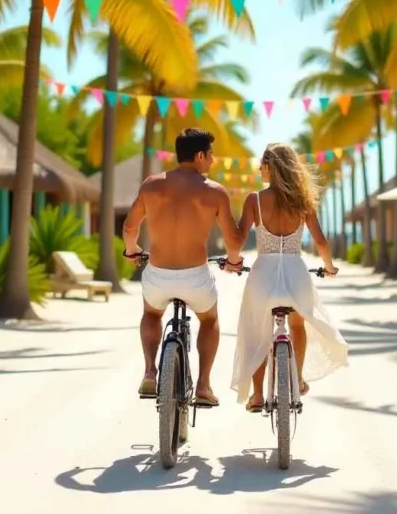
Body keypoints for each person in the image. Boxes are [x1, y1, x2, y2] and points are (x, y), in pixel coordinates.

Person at [122, 128, 244, 407]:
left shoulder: (151, 185)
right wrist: (233, 261)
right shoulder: (214, 191)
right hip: (195, 278)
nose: (212, 161)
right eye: (211, 155)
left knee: (152, 314)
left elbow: (130, 227)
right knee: (210, 321)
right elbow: (233, 240)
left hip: (158, 275)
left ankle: (151, 371)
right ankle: (203, 385)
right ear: (200, 156)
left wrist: (133, 251)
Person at [232, 142, 349, 411]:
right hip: (296, 271)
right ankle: (296, 378)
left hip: (263, 273)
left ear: (271, 167)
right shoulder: (302, 201)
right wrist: (329, 267)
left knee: (256, 332)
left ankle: (258, 395)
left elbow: (237, 239)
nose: (259, 168)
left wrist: (234, 261)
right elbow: (320, 242)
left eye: (262, 164)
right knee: (297, 326)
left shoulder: (254, 200)